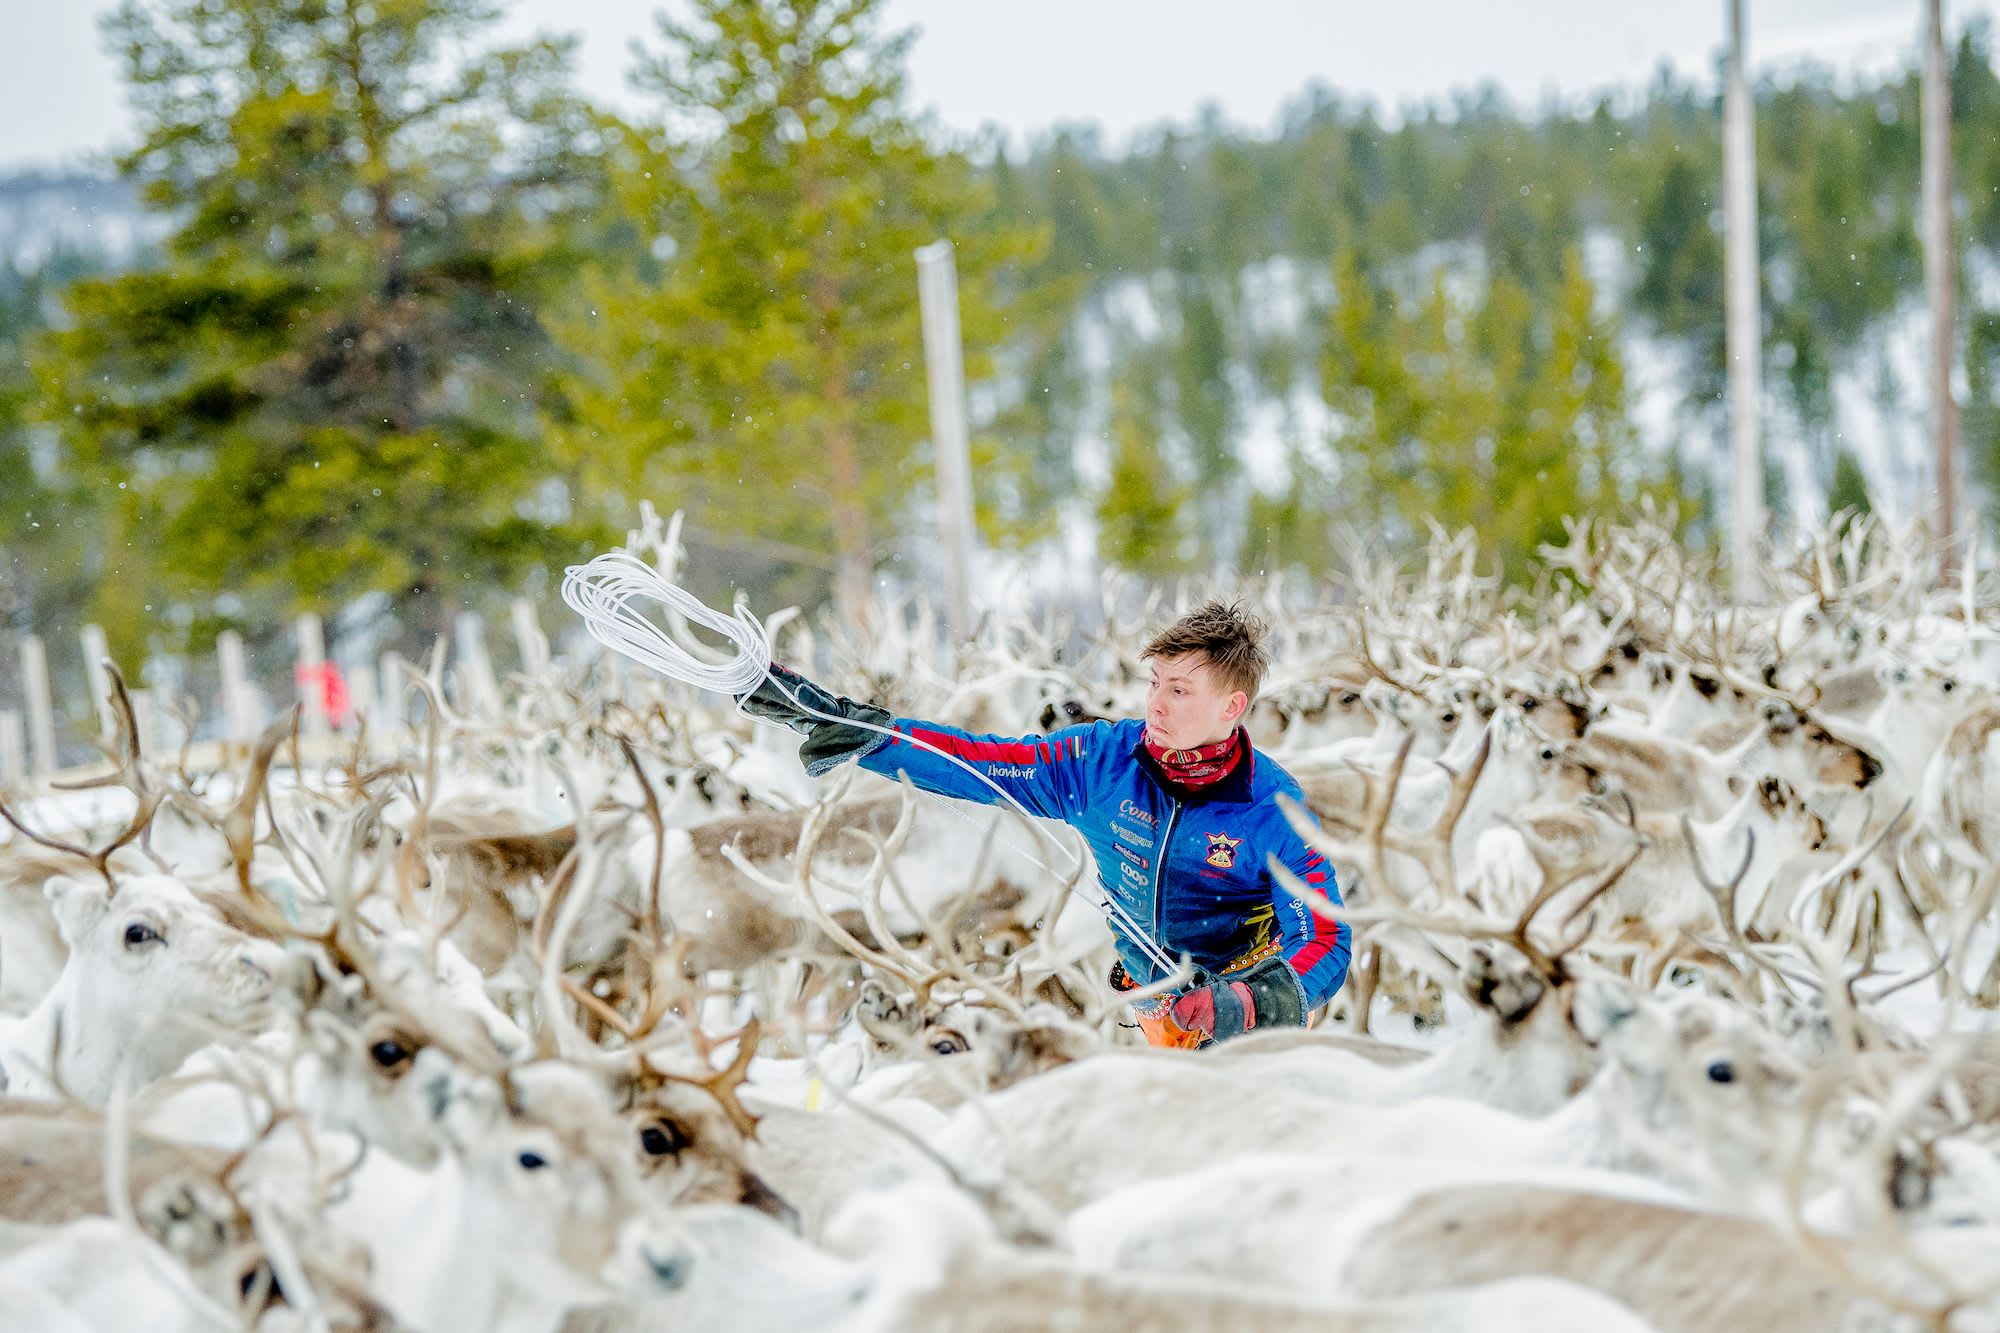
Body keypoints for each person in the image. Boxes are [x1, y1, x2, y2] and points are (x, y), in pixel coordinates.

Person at [737, 599, 1349, 1048]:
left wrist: (1242, 1001)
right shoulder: (1103, 762)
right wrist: (855, 729)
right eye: (1155, 684)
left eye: (1181, 692)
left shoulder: (1272, 809)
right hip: (1153, 1005)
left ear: (1231, 707)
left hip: (1252, 1018)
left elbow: (1325, 937)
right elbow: (980, 763)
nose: (1156, 705)